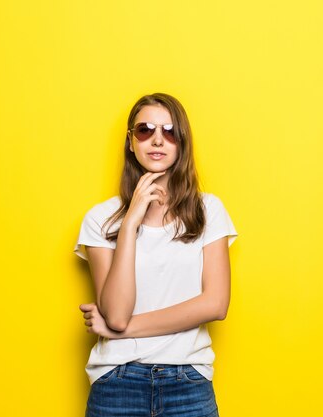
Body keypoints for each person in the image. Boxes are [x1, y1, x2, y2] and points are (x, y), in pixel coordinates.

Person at [73, 93, 237, 417]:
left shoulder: (208, 211)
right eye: (145, 130)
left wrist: (122, 330)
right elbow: (116, 314)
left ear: (182, 142)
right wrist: (131, 220)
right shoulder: (99, 219)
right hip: (117, 382)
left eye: (169, 131)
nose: (157, 140)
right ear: (130, 142)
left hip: (188, 380)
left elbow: (215, 305)